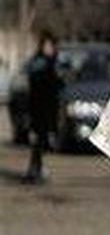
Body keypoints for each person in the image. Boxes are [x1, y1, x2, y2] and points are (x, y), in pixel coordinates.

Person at [24, 32, 60, 184]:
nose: (49, 48)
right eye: (47, 46)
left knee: (40, 141)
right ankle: (36, 170)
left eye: (51, 46)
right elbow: (38, 85)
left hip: (48, 106)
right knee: (39, 140)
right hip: (39, 107)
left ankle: (34, 169)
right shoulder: (40, 64)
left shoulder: (51, 63)